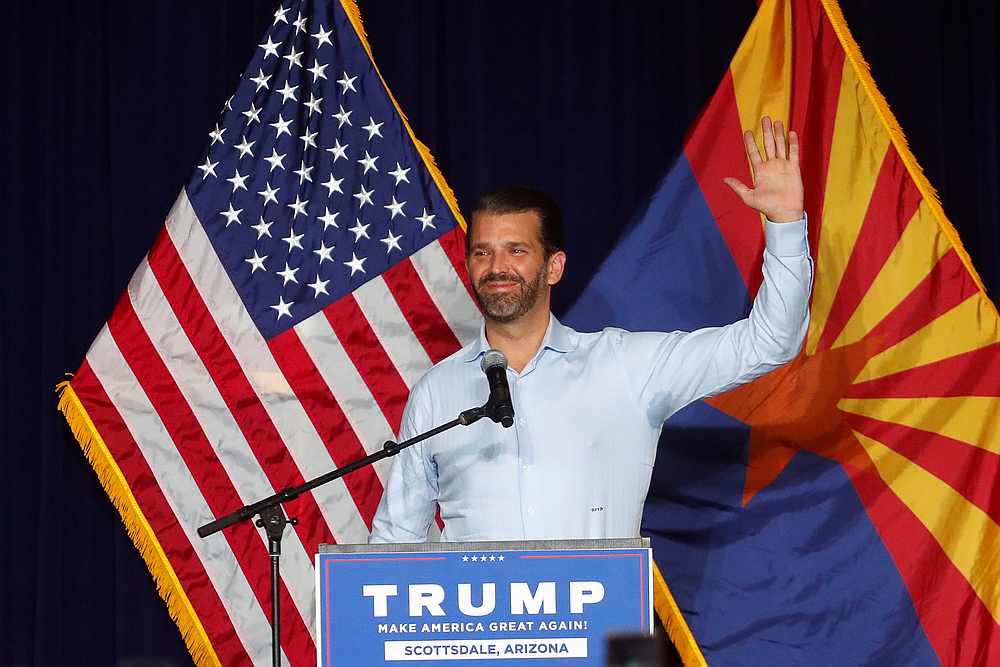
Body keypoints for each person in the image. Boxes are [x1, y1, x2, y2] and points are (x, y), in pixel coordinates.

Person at [369, 117, 813, 543]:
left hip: (600, 622)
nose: (497, 267)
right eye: (482, 253)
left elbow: (769, 341)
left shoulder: (626, 366)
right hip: (477, 624)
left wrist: (786, 225)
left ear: (554, 266)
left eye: (516, 250)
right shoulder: (437, 391)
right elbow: (395, 539)